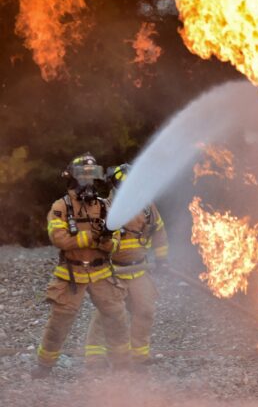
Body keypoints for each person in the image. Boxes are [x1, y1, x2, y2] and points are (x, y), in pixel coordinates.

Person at [33, 154, 130, 379]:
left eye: (92, 176)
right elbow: (58, 238)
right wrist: (91, 238)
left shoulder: (105, 206)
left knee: (117, 317)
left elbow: (115, 242)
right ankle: (44, 366)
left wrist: (107, 241)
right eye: (83, 177)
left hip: (101, 272)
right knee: (59, 322)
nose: (88, 182)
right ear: (72, 178)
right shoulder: (61, 206)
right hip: (71, 274)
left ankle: (123, 365)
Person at [84, 163, 169, 366]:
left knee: (145, 310)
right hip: (112, 270)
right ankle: (94, 357)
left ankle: (139, 356)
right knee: (107, 313)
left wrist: (162, 258)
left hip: (139, 269)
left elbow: (159, 231)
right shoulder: (103, 209)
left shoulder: (147, 208)